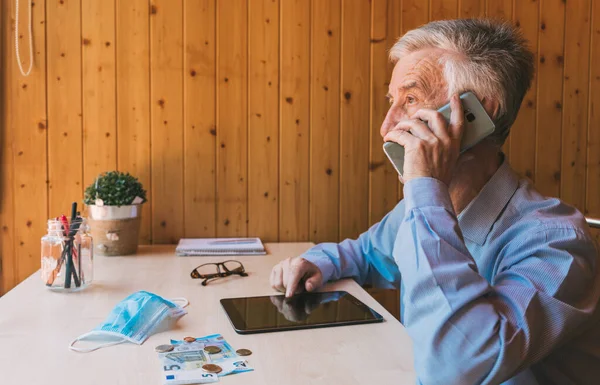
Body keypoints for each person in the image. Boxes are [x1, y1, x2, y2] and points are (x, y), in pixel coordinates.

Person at [270, 19, 600, 385]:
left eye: (409, 100)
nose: (386, 126)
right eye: (391, 102)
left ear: (477, 114)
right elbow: (367, 253)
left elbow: (458, 365)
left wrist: (425, 187)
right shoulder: (427, 207)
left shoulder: (557, 244)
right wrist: (318, 261)